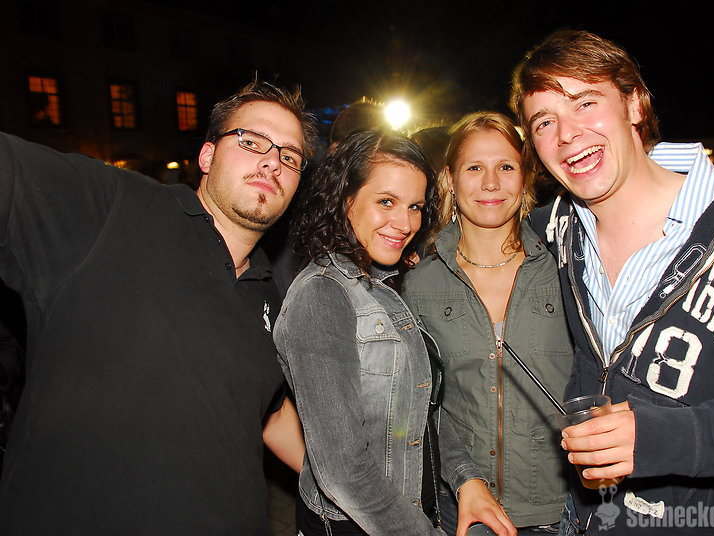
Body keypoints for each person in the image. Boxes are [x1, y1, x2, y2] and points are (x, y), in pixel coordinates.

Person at [511, 29, 714, 534]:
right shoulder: (554, 231)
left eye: (585, 103)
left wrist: (669, 439)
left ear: (634, 104)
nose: (566, 134)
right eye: (544, 121)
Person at [0, 79, 312, 534]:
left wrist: (342, 486)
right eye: (251, 141)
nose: (272, 161)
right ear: (207, 156)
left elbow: (268, 410)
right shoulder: (115, 208)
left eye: (290, 156)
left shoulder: (268, 292)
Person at [274, 130, 517, 536]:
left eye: (415, 206)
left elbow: (419, 410)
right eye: (386, 201)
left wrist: (467, 478)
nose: (405, 223)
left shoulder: (382, 286)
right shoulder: (322, 295)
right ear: (345, 199)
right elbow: (343, 470)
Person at [402, 112, 574, 535]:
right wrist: (464, 479)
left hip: (559, 510)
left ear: (525, 177)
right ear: (449, 179)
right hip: (461, 509)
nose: (491, 183)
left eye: (506, 167)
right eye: (475, 168)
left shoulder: (566, 271)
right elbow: (421, 407)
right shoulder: (419, 284)